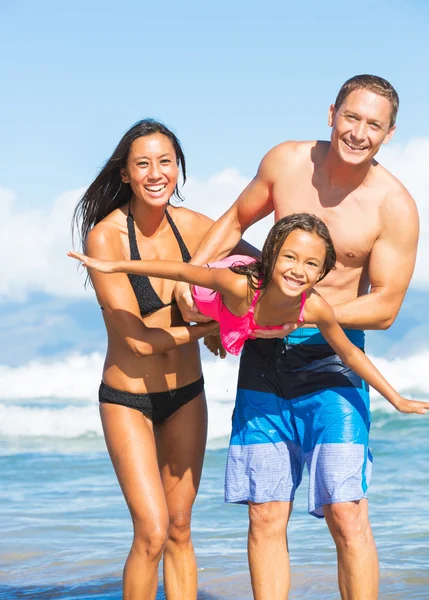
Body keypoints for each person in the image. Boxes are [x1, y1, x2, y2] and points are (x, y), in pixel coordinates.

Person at [174, 75, 420, 600]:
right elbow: (236, 218)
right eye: (351, 118)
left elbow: (386, 307)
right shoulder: (287, 162)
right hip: (263, 363)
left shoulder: (393, 205)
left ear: (389, 133)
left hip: (333, 364)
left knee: (345, 513)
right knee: (265, 512)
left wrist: (304, 315)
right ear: (331, 113)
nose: (359, 133)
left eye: (373, 125)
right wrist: (190, 280)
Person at [71, 119, 253, 600]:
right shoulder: (106, 239)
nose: (156, 173)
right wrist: (211, 328)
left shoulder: (196, 228)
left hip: (186, 395)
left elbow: (261, 272)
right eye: (143, 163)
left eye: (165, 161)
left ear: (179, 168)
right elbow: (137, 340)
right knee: (150, 531)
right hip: (127, 398)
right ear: (126, 174)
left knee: (179, 528)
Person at [69, 212, 428, 417]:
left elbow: (349, 353)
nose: (299, 271)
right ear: (273, 258)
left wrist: (396, 398)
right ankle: (215, 328)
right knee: (194, 305)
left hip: (245, 317)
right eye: (289, 258)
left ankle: (222, 329)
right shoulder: (240, 285)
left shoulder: (314, 306)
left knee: (238, 330)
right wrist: (113, 264)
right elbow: (180, 272)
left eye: (311, 265)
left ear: (321, 274)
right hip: (212, 295)